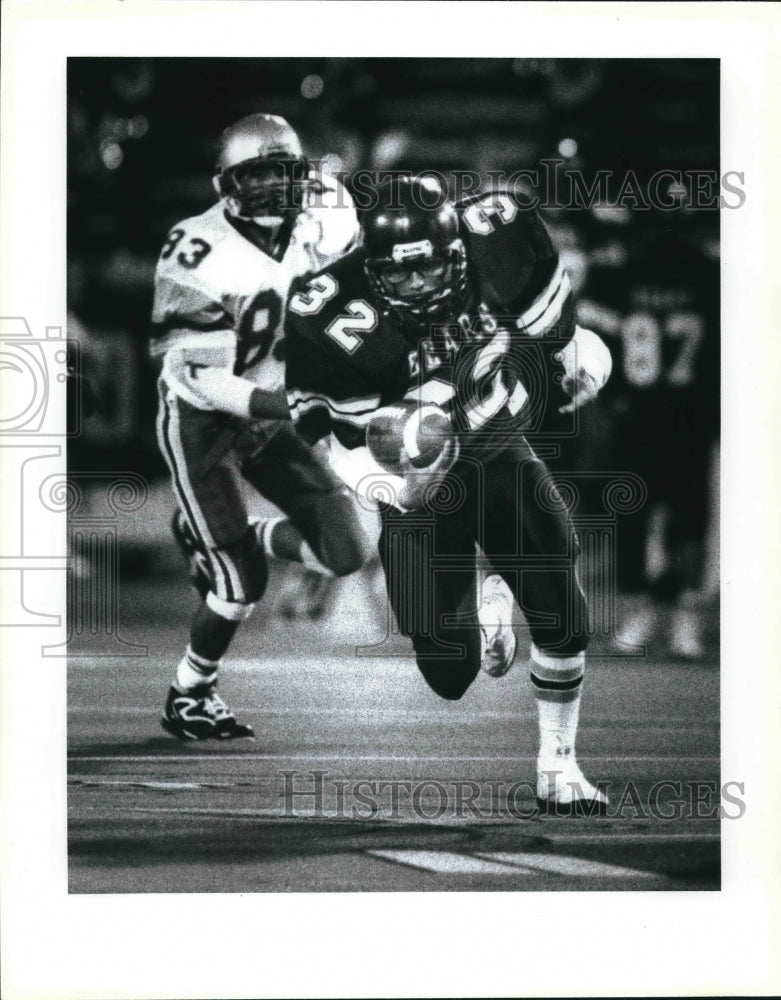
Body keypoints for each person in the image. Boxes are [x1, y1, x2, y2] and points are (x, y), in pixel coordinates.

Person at [284, 176, 613, 812]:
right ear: (370, 270)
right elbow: (327, 438)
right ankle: (489, 615)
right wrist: (391, 486)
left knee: (563, 615)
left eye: (426, 270)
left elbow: (565, 343)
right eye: (396, 276)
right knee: (449, 673)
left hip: (494, 450)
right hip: (414, 485)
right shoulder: (328, 311)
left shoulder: (499, 245)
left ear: (456, 252)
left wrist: (583, 359)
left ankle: (558, 767)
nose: (414, 286)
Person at [151, 113, 371, 740]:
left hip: (278, 401)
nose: (278, 186)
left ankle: (229, 531)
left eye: (287, 171)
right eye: (260, 174)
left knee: (346, 552)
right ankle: (190, 693)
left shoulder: (328, 211)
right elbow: (210, 383)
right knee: (239, 585)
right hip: (203, 418)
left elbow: (348, 298)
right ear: (228, 184)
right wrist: (298, 403)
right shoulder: (196, 248)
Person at [577, 194, 719, 659]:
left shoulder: (623, 271)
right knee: (679, 520)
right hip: (673, 414)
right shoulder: (708, 272)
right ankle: (672, 613)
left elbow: (590, 336)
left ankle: (662, 612)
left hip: (650, 413)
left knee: (653, 517)